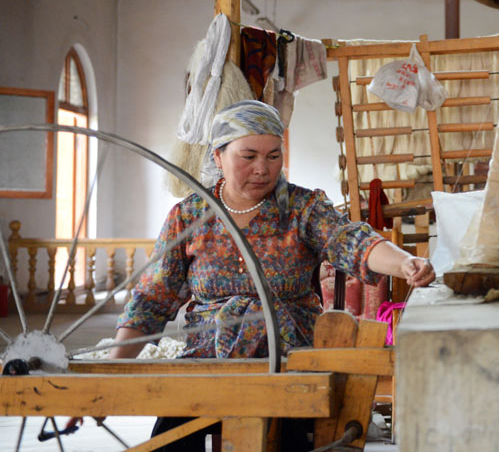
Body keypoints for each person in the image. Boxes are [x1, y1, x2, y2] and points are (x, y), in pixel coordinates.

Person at [109, 99, 434, 450]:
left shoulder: (302, 208)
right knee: (174, 432)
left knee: (287, 424)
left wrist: (404, 263)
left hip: (290, 355)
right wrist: (108, 379)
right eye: (248, 157)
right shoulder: (189, 216)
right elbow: (150, 300)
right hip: (209, 357)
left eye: (273, 156)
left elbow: (352, 240)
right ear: (218, 156)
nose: (262, 169)